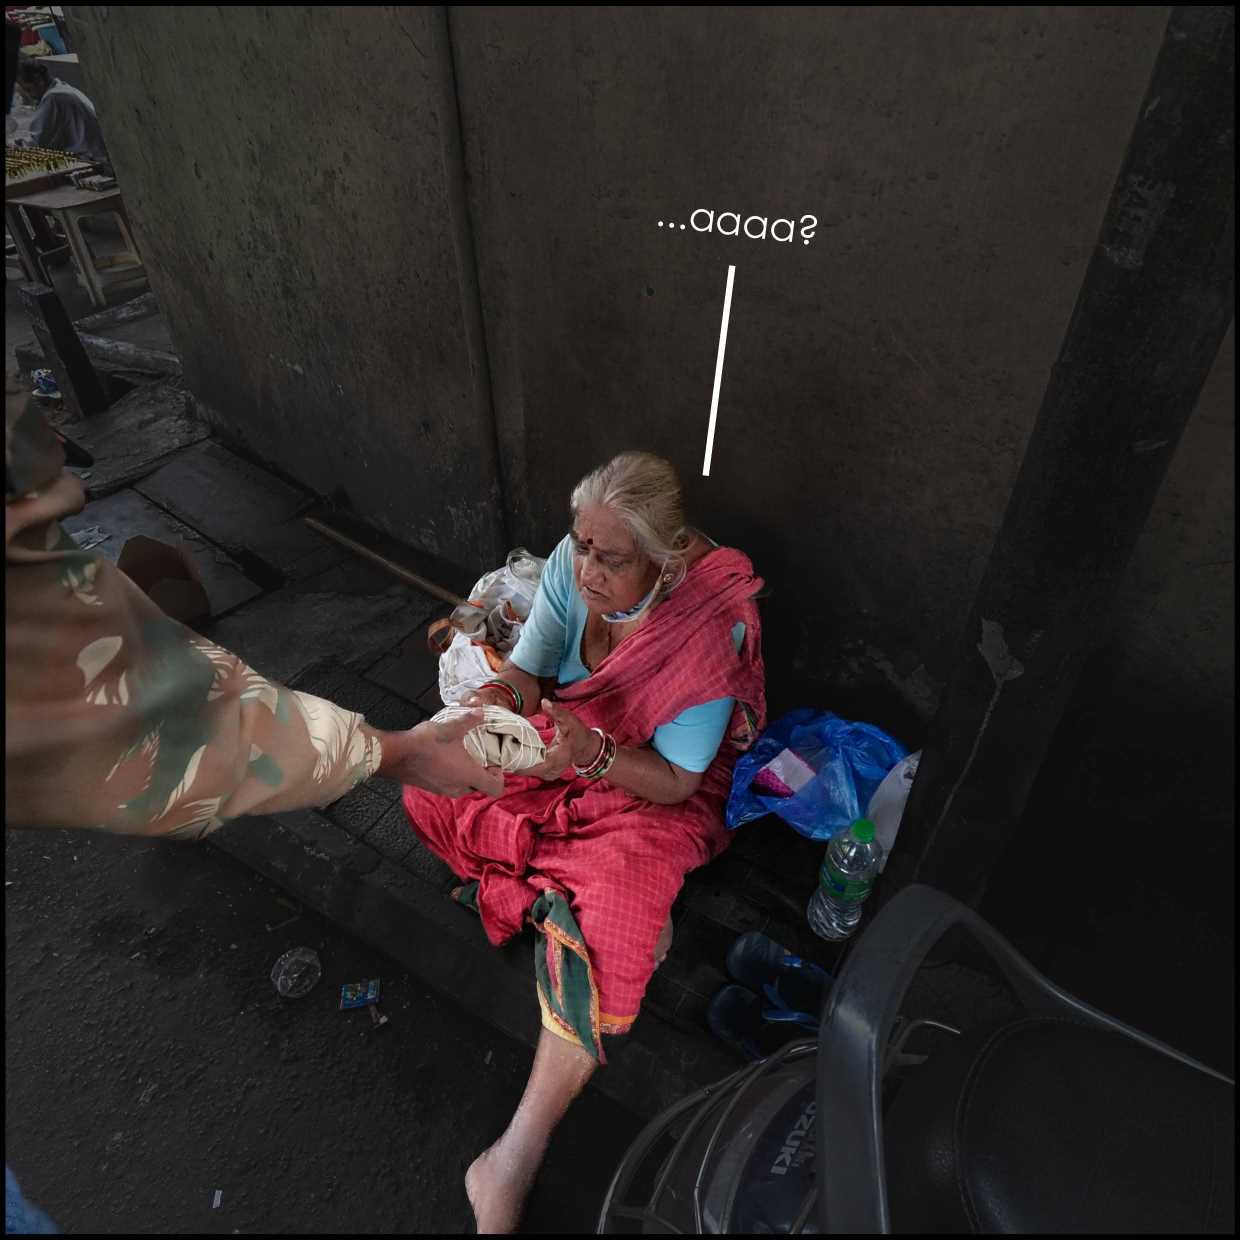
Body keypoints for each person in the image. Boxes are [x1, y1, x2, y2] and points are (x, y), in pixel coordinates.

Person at [402, 451, 767, 1232]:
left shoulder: (707, 631)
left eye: (612, 559)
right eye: (581, 544)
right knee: (428, 780)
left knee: (621, 916)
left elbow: (677, 779)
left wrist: (589, 756)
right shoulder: (572, 569)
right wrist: (490, 705)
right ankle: (568, 898)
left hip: (652, 786)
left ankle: (510, 1162)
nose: (586, 570)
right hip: (570, 740)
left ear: (664, 562)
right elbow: (530, 670)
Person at [14, 59, 109, 165]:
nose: (29, 95)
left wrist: (15, 146)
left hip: (95, 160)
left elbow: (37, 143)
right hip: (98, 154)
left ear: (39, 81)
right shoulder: (62, 89)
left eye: (28, 90)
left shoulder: (54, 97)